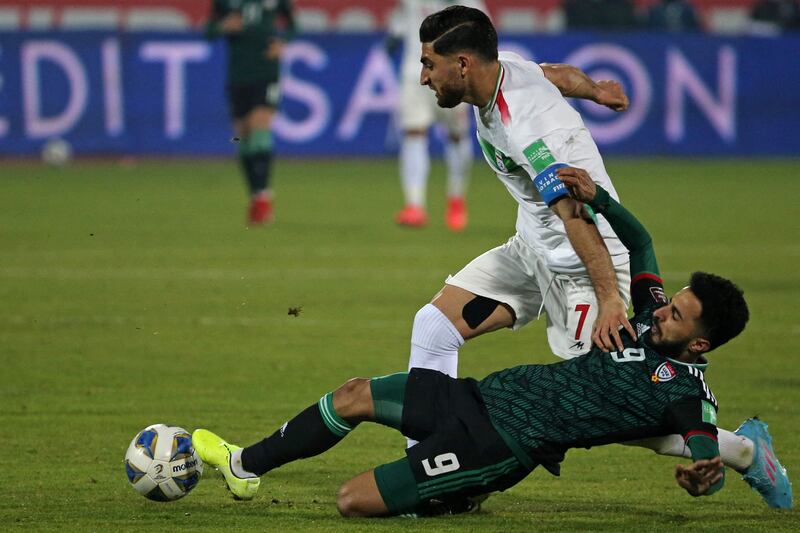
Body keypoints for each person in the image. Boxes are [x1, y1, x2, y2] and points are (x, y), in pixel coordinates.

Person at [191, 167, 792, 515]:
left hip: (501, 446)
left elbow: (698, 442)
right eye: (672, 303)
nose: (662, 313)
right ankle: (244, 465)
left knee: (352, 501)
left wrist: (709, 471)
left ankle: (455, 490)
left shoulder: (684, 391)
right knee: (352, 395)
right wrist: (598, 198)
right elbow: (640, 243)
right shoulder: (647, 313)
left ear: (699, 347)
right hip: (479, 397)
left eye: (679, 317)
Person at [405, 5, 786, 508]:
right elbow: (554, 76)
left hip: (585, 264)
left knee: (602, 402)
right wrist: (596, 90)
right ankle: (431, 474)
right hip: (533, 249)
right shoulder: (505, 72)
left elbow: (576, 218)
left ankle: (740, 450)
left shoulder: (530, 133)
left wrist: (609, 299)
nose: (422, 76)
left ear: (463, 64)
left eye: (430, 64)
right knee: (434, 326)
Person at [389, 1, 484, 231]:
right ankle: (415, 206)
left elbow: (484, 35)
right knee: (414, 133)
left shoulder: (469, 3)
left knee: (457, 135)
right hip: (415, 74)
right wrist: (392, 40)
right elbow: (396, 27)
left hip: (453, 76)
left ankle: (456, 198)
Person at [204, 0, 296, 225]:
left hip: (267, 72)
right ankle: (256, 196)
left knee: (260, 127)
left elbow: (293, 24)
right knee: (242, 136)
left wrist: (282, 41)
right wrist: (223, 26)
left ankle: (263, 198)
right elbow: (208, 31)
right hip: (238, 75)